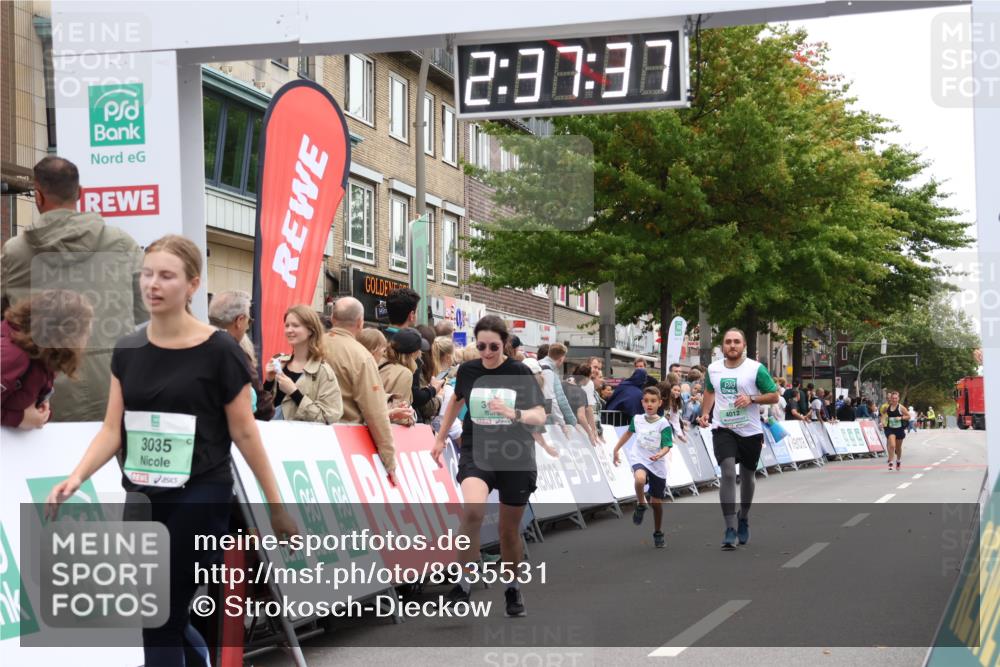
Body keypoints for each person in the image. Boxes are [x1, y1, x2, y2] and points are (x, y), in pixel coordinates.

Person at [44, 234, 297, 666]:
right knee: (164, 616)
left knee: (158, 615)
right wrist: (76, 476)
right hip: (142, 497)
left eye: (166, 275)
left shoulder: (220, 350)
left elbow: (246, 434)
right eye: (146, 274)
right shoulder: (127, 348)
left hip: (200, 496)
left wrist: (276, 506)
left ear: (193, 284)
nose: (152, 284)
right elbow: (112, 430)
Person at [1, 156, 147, 421]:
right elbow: (143, 309)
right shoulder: (121, 243)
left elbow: (6, 316)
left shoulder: (15, 251)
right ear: (80, 193)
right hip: (113, 384)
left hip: (41, 391)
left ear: (38, 196)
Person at [431, 315, 546, 617]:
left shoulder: (519, 371)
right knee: (472, 511)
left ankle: (512, 588)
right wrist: (441, 437)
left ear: (505, 343)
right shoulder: (468, 370)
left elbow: (540, 415)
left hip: (514, 454)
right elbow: (456, 400)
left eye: (493, 346)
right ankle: (464, 583)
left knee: (508, 530)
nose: (486, 352)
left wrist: (514, 413)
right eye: (480, 345)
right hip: (477, 450)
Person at [698, 328, 779, 550]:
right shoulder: (713, 369)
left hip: (750, 431)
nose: (732, 345)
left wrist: (752, 398)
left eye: (736, 342)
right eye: (728, 342)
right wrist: (705, 413)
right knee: (726, 471)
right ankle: (730, 527)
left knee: (747, 476)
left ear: (743, 346)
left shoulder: (755, 369)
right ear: (722, 346)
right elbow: (709, 391)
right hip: (723, 428)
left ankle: (743, 516)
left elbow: (774, 395)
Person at [324, 298, 399, 477]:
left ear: (333, 318)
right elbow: (375, 412)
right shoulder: (361, 356)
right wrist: (390, 462)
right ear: (360, 323)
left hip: (306, 435)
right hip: (346, 442)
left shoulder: (312, 346)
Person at [1, 289, 93, 428]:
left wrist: (42, 405)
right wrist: (19, 418)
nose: (87, 338)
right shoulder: (13, 357)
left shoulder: (42, 354)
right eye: (84, 332)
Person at [613, 386, 673, 548]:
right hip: (639, 457)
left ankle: (658, 531)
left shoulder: (663, 423)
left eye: (653, 401)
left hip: (657, 464)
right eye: (646, 401)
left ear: (660, 403)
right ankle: (641, 503)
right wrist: (616, 449)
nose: (649, 404)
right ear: (642, 403)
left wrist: (661, 454)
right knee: (639, 479)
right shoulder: (637, 419)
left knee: (657, 504)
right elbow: (627, 434)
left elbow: (668, 445)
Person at [264, 305, 343, 423]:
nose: (289, 330)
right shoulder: (280, 363)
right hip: (273, 437)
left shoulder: (323, 371)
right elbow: (260, 409)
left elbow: (328, 417)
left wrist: (294, 393)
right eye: (287, 325)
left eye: (295, 325)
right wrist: (269, 381)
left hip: (303, 439)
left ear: (311, 330)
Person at [208, 290, 274, 421]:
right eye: (249, 321)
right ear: (240, 320)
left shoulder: (194, 346)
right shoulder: (236, 356)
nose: (247, 327)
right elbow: (263, 408)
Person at [379, 328, 428, 404]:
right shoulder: (404, 374)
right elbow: (400, 410)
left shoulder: (380, 361)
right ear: (413, 353)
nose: (420, 354)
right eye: (418, 351)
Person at [538, 342, 578, 429]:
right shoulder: (548, 371)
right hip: (539, 419)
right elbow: (551, 398)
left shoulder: (538, 364)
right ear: (561, 358)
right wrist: (562, 422)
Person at [563, 364, 601, 446]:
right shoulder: (581, 392)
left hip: (559, 426)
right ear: (586, 377)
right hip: (573, 429)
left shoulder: (562, 385)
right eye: (590, 378)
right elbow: (581, 416)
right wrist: (590, 432)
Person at [881, 390, 911, 470]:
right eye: (893, 398)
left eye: (896, 398)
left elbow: (908, 416)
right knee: (892, 445)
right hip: (890, 428)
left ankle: (898, 460)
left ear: (898, 398)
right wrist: (883, 422)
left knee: (898, 448)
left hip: (899, 429)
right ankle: (891, 462)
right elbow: (883, 414)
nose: (894, 400)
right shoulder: (887, 407)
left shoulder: (901, 407)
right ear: (890, 399)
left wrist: (900, 417)